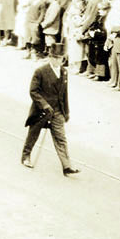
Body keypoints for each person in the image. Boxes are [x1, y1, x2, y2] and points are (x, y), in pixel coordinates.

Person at [21, 42, 80, 176]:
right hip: (41, 111)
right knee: (33, 135)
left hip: (58, 111)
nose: (57, 60)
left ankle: (67, 166)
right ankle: (26, 156)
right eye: (54, 57)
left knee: (61, 138)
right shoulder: (40, 71)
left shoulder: (64, 72)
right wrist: (45, 105)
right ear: (50, 57)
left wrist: (66, 112)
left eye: (60, 58)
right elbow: (33, 91)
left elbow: (64, 93)